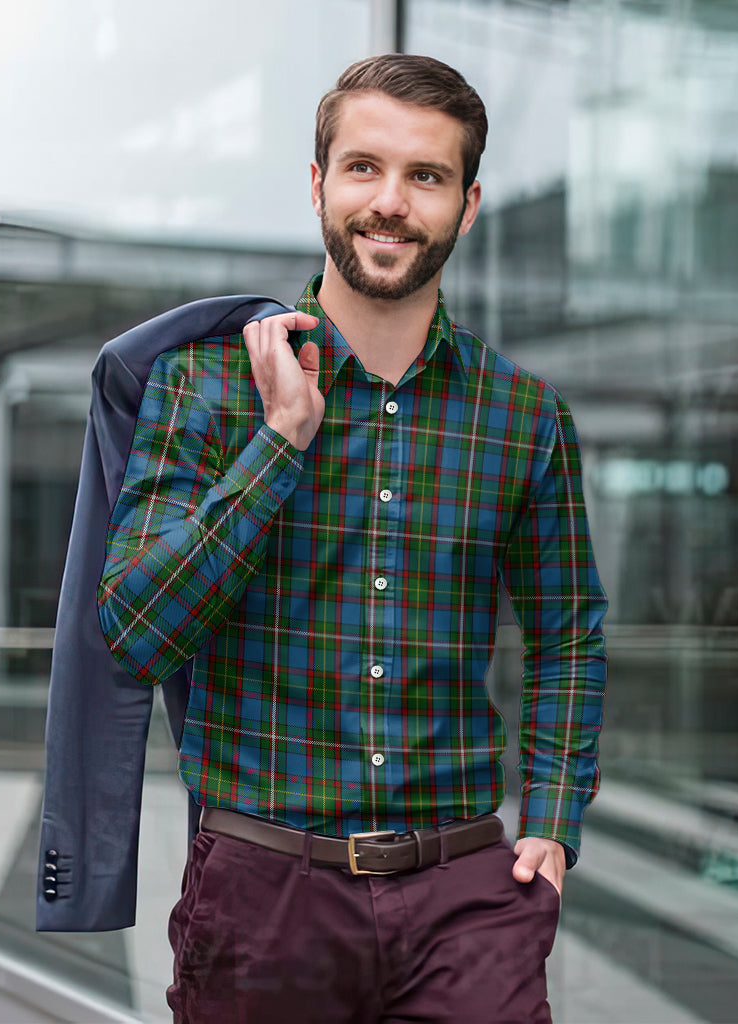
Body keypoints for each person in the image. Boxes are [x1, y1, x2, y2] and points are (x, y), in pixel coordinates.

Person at [97, 53, 607, 1024]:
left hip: (466, 897)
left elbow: (567, 633)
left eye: (427, 176)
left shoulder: (523, 417)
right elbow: (134, 630)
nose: (391, 202)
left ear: (468, 203)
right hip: (264, 895)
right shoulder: (204, 388)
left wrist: (550, 819)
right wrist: (281, 439)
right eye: (365, 167)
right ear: (319, 182)